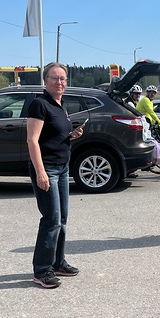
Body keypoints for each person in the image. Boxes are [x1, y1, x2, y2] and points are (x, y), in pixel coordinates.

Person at [27, 62, 84, 288]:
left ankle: (58, 262)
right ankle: (42, 270)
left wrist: (72, 134)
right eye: (54, 78)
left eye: (62, 79)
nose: (59, 82)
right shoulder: (39, 105)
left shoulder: (60, 104)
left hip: (62, 168)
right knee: (50, 220)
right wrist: (40, 172)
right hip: (47, 169)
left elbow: (52, 136)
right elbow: (32, 141)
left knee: (61, 220)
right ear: (45, 80)